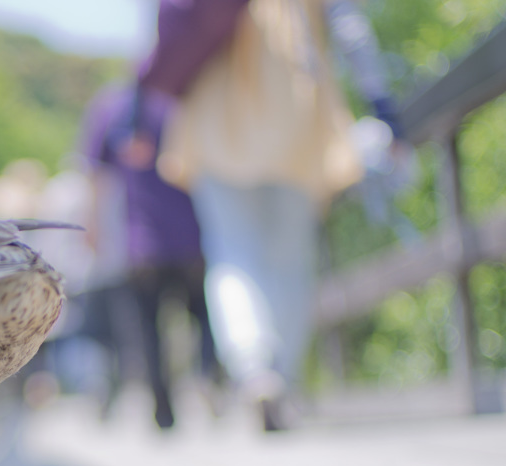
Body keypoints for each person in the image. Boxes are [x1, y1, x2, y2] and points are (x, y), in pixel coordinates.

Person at [141, 0, 403, 430]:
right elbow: (349, 26)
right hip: (292, 103)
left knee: (232, 251)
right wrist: (381, 100)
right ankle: (285, 377)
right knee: (291, 256)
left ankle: (253, 366)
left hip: (214, 109)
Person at [80, 83, 220, 429]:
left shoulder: (108, 108)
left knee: (147, 328)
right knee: (204, 317)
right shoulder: (182, 101)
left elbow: (96, 174)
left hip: (140, 240)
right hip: (193, 233)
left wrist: (94, 226)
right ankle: (206, 376)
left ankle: (163, 409)